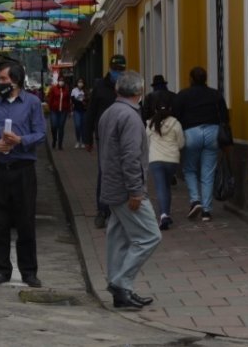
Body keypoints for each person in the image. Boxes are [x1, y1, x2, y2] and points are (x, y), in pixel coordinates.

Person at [0, 62, 46, 288]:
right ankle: (2, 270)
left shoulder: (32, 103)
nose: (0, 83)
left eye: (3, 79)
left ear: (15, 81)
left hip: (23, 169)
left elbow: (41, 133)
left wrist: (21, 140)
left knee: (25, 222)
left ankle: (29, 272)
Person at [97, 71, 160, 310]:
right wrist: (136, 191)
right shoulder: (130, 116)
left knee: (119, 238)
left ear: (117, 90)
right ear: (140, 92)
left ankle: (120, 290)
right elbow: (130, 157)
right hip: (126, 189)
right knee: (150, 236)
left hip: (112, 185)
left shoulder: (109, 113)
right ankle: (121, 284)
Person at [170, 66, 228, 222]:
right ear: (205, 78)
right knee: (208, 172)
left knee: (189, 169)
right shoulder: (215, 94)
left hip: (191, 133)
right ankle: (207, 211)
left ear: (191, 79)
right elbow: (225, 116)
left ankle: (195, 200)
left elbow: (175, 116)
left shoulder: (183, 95)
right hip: (212, 132)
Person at [83, 54, 125, 228]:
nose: (118, 72)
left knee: (125, 171)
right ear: (110, 68)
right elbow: (91, 112)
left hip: (124, 135)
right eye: (115, 69)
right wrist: (87, 138)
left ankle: (122, 210)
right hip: (104, 137)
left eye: (121, 70)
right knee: (105, 172)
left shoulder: (127, 86)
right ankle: (102, 210)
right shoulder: (100, 87)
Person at [147, 100, 185, 230]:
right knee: (166, 186)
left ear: (155, 110)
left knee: (160, 187)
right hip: (171, 160)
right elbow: (181, 143)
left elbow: (146, 142)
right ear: (170, 109)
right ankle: (166, 214)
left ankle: (164, 215)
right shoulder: (176, 123)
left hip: (155, 159)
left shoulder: (150, 123)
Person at [46, 79, 70, 151]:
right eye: (60, 81)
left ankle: (60, 144)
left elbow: (68, 100)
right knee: (54, 126)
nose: (61, 82)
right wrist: (49, 108)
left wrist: (69, 110)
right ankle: (54, 139)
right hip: (54, 110)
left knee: (61, 127)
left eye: (62, 81)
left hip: (63, 110)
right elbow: (50, 98)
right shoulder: (53, 89)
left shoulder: (66, 90)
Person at [70, 78, 87, 148]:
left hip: (84, 111)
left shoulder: (85, 90)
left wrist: (83, 101)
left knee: (83, 127)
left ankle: (83, 141)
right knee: (77, 126)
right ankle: (78, 141)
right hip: (76, 110)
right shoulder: (74, 90)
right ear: (77, 83)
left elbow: (87, 100)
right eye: (79, 82)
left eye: (81, 82)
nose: (80, 83)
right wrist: (81, 101)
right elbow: (73, 100)